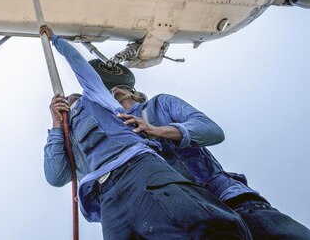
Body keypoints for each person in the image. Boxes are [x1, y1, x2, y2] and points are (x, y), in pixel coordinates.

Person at [40, 25, 250, 239]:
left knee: (191, 229)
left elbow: (81, 67)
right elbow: (56, 176)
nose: (114, 91)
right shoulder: (71, 140)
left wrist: (56, 40)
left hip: (147, 172)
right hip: (105, 195)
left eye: (75, 99)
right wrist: (57, 127)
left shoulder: (118, 102)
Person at [114, 86, 310, 239]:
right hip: (179, 217)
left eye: (118, 87)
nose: (113, 90)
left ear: (134, 92)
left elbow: (211, 130)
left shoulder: (159, 104)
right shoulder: (109, 133)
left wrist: (157, 130)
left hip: (227, 198)